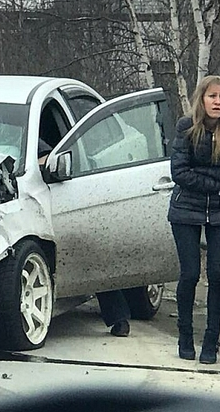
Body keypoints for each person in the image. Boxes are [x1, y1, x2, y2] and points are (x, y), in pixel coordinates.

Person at [168, 75, 220, 364]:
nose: (217, 102)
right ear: (202, 99)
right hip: (185, 209)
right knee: (190, 274)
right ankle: (185, 337)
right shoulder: (186, 127)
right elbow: (180, 173)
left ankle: (211, 342)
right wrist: (218, 181)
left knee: (217, 275)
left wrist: (207, 179)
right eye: (212, 96)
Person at [37, 137, 131, 337]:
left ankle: (118, 317)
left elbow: (45, 158)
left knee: (93, 256)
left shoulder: (18, 131)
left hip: (68, 197)